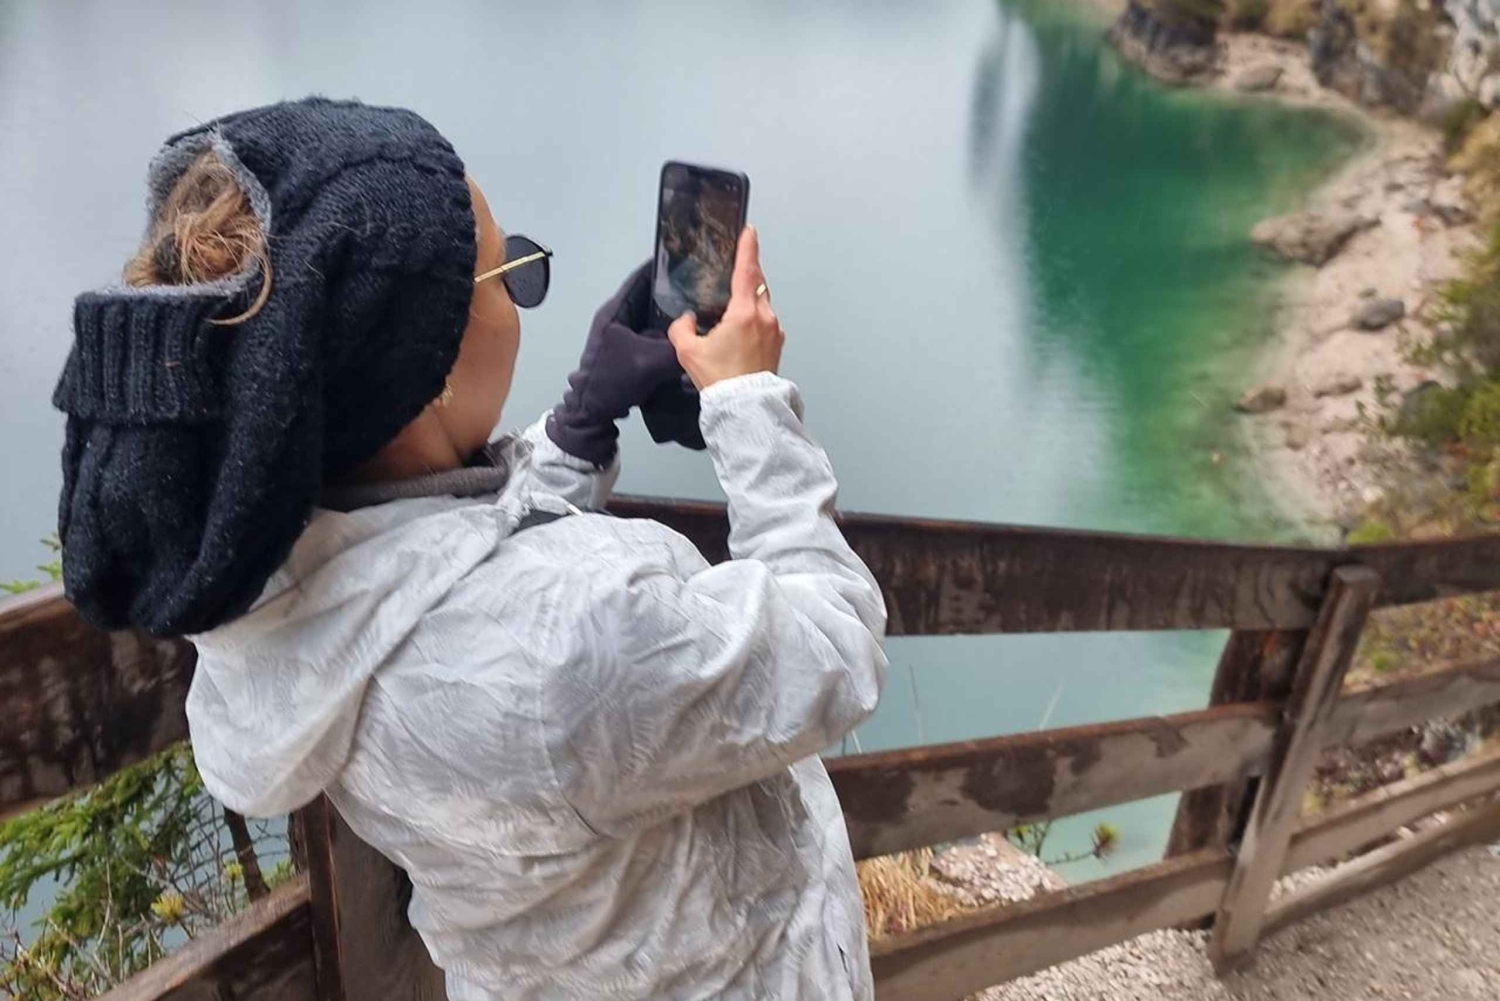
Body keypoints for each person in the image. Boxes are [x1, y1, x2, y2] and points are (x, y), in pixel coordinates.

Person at [52, 97, 888, 1001]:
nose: (519, 291)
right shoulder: (579, 636)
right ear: (430, 367)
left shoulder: (288, 597)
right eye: (505, 275)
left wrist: (581, 420)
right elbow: (833, 642)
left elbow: (451, 575)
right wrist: (748, 401)